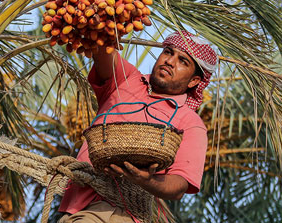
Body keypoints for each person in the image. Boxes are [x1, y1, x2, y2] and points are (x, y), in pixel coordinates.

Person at [58, 30, 218, 223]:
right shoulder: (126, 78)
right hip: (75, 207)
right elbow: (101, 46)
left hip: (120, 213)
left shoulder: (190, 123)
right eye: (168, 52)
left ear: (194, 81)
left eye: (183, 61)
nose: (170, 61)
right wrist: (103, 20)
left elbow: (180, 184)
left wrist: (145, 180)